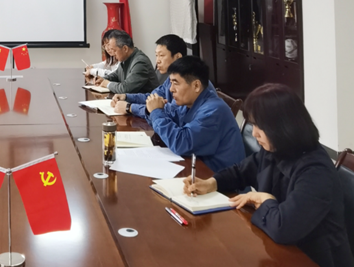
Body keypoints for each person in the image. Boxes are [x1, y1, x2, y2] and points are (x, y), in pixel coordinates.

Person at [185, 84, 354, 267]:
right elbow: (241, 171)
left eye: (260, 126)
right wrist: (212, 183)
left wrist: (264, 200)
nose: (254, 133)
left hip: (314, 259)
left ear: (282, 126)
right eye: (253, 124)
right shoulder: (278, 148)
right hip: (281, 251)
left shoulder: (316, 172)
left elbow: (284, 228)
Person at [143, 56, 244, 172]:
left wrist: (156, 112)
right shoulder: (190, 103)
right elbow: (171, 116)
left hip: (219, 179)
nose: (171, 89)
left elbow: (182, 143)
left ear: (196, 86)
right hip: (198, 169)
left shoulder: (213, 111)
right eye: (170, 83)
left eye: (176, 83)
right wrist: (151, 111)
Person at [111, 34, 186, 117]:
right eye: (156, 55)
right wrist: (126, 97)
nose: (157, 61)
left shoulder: (185, 82)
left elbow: (171, 112)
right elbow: (151, 97)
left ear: (177, 57)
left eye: (161, 55)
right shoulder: (169, 79)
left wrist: (129, 108)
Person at [94, 30, 158, 94]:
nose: (112, 54)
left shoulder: (140, 62)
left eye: (114, 50)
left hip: (146, 99)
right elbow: (116, 75)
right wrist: (103, 79)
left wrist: (108, 84)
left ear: (125, 49)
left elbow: (125, 88)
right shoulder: (125, 59)